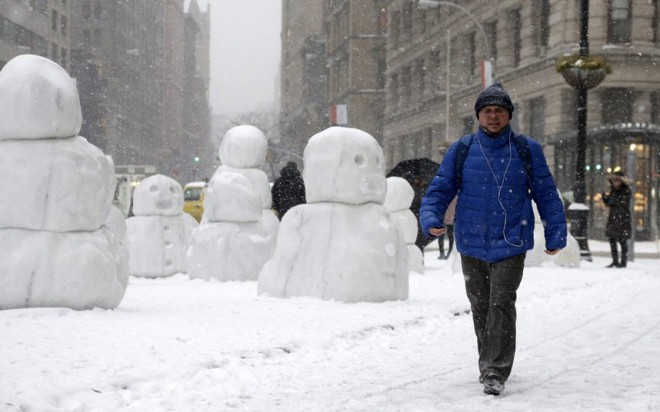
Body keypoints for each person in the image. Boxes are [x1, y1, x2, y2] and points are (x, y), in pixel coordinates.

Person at [420, 83, 567, 396]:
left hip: (511, 240)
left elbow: (546, 193)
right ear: (478, 116)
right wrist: (431, 217)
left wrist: (555, 230)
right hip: (471, 241)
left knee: (501, 303)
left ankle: (494, 370)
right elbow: (440, 188)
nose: (493, 116)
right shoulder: (461, 149)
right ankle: (489, 359)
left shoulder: (527, 150)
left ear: (509, 115)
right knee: (480, 305)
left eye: (499, 110)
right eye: (487, 110)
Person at [602, 171, 632, 268]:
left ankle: (623, 262)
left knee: (622, 240)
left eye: (616, 180)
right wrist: (605, 198)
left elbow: (621, 203)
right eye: (613, 180)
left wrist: (612, 201)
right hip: (613, 217)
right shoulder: (613, 191)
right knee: (612, 239)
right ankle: (615, 260)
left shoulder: (626, 191)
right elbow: (610, 203)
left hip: (622, 218)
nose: (614, 182)